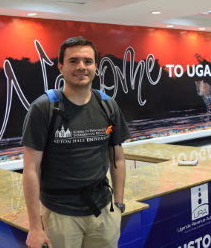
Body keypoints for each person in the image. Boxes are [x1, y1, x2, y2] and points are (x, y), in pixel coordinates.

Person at [22, 36, 131, 248]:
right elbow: (31, 169)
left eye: (87, 61)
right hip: (60, 214)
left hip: (103, 211)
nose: (81, 67)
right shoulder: (44, 108)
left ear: (96, 67)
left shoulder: (108, 105)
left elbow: (117, 157)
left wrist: (118, 203)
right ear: (61, 66)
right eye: (73, 61)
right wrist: (35, 227)